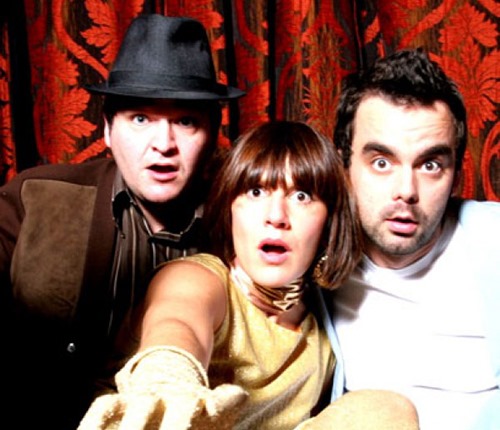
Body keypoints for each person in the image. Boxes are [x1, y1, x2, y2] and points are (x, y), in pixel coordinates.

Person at [77, 121, 420, 430]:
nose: (276, 216)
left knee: (383, 409)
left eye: (301, 196)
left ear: (329, 222)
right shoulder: (196, 278)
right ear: (230, 209)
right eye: (256, 192)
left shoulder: (322, 333)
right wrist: (168, 378)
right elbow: (177, 323)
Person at [0, 14, 244, 429]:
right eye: (140, 119)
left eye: (185, 121)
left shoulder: (244, 218)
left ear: (211, 134)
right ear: (108, 130)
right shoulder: (35, 197)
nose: (163, 144)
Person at [328, 48, 500, 430]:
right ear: (343, 165)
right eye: (381, 162)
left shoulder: (493, 243)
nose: (406, 191)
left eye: (430, 165)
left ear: (456, 175)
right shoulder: (311, 252)